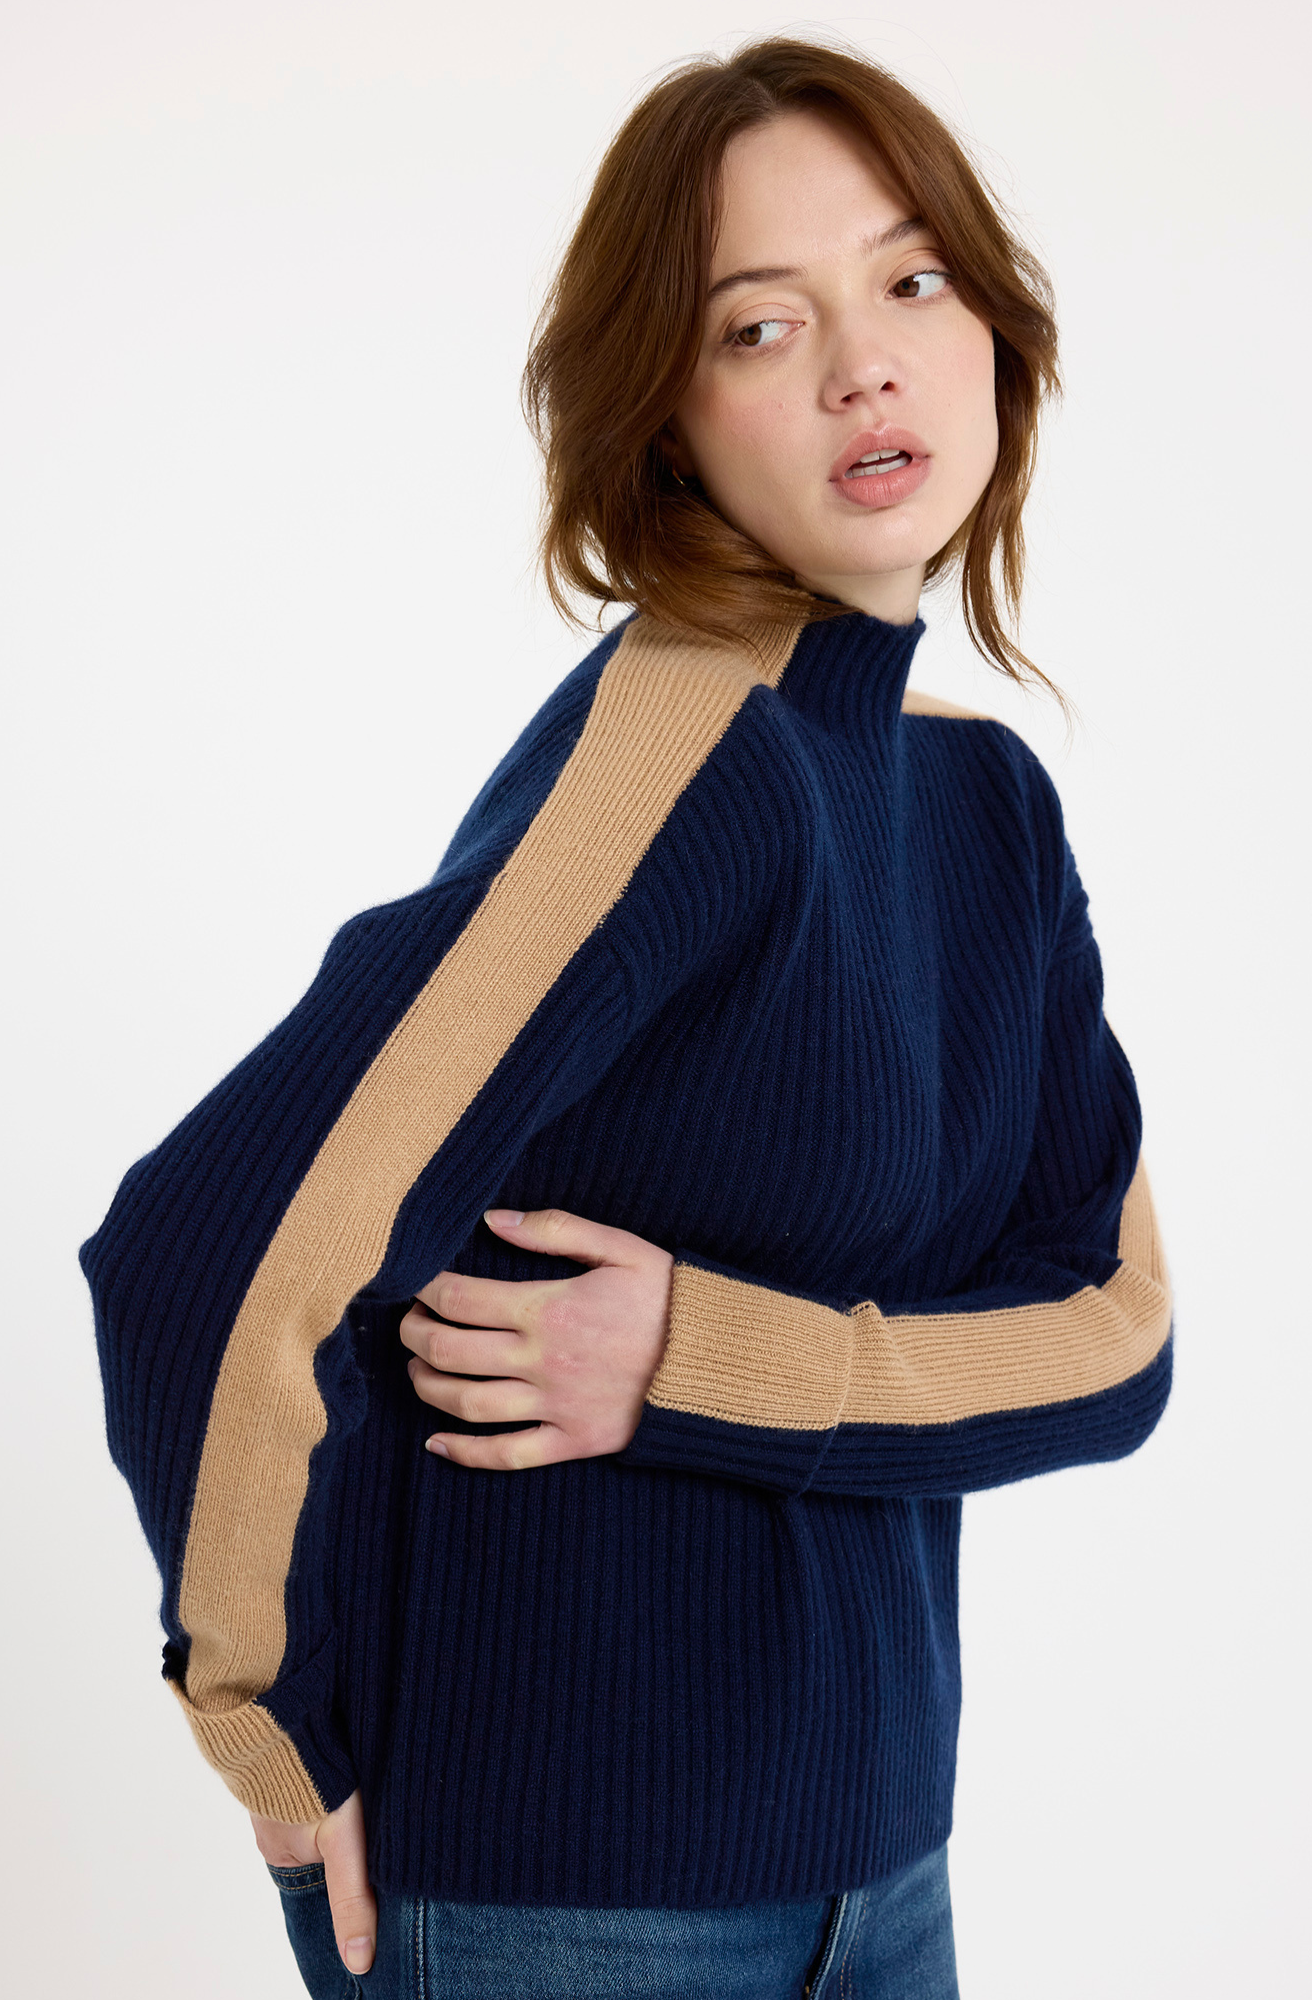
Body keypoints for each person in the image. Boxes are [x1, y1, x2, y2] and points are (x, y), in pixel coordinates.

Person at [79, 34, 1173, 2000]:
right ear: (665, 417)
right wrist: (271, 1735)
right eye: (764, 324)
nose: (866, 362)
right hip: (558, 1902)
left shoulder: (982, 803)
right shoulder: (690, 742)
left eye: (914, 279)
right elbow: (209, 1247)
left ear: (996, 327)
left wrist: (699, 1352)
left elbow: (1112, 1337)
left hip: (881, 1867)